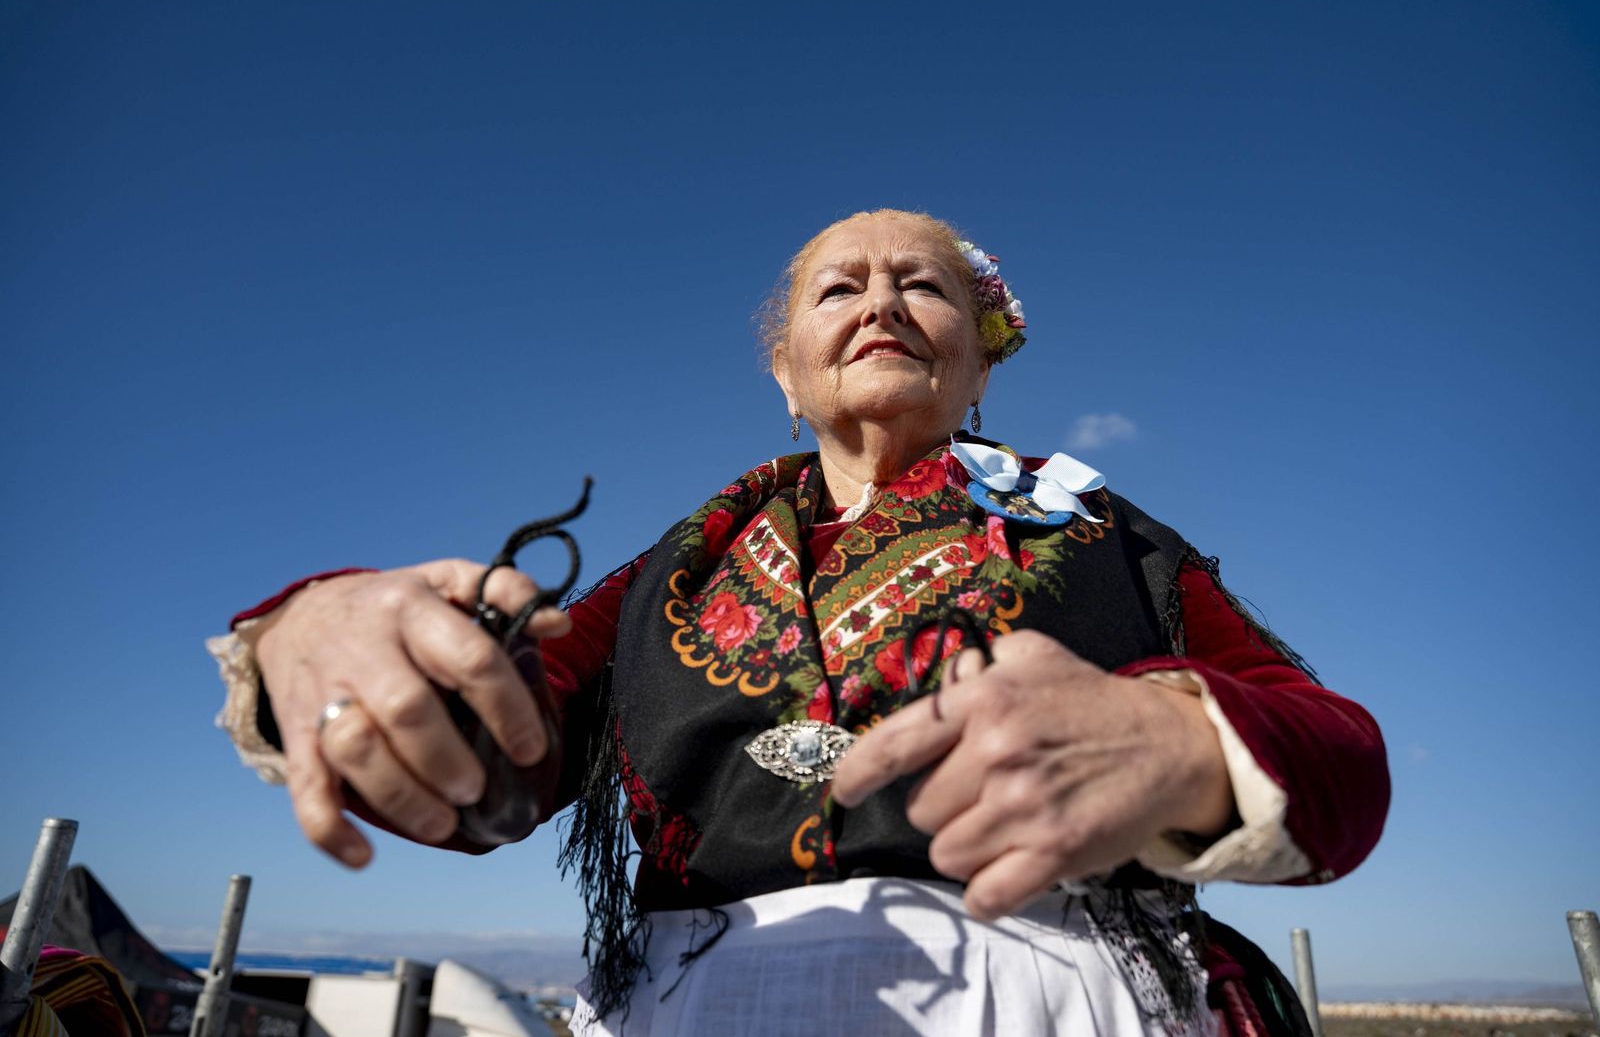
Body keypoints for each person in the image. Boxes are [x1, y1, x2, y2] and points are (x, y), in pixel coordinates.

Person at [209, 209, 1389, 1036]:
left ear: (981, 366)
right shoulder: (669, 570)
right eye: (841, 286)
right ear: (785, 373)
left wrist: (1179, 742)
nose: (880, 300)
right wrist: (323, 636)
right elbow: (486, 767)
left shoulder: (1106, 533)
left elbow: (1341, 762)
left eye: (921, 283)